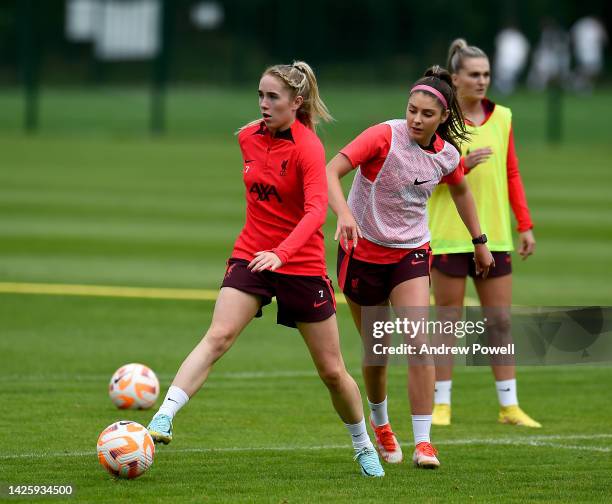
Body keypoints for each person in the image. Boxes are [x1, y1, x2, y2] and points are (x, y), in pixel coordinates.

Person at [147, 61, 385, 478]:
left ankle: (363, 444)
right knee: (218, 335)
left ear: (296, 102)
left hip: (301, 263)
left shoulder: (308, 147)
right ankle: (163, 418)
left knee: (332, 371)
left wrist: (283, 253)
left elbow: (315, 211)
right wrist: (267, 252)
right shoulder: (246, 138)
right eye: (260, 94)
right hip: (252, 255)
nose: (263, 103)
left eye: (272, 97)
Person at [327, 66, 494, 469]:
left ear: (443, 118)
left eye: (426, 114)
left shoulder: (448, 155)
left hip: (411, 252)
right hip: (361, 252)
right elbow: (331, 170)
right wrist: (344, 214)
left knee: (419, 341)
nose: (416, 119)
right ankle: (381, 424)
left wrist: (480, 241)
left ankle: (424, 442)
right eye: (412, 110)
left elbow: (461, 191)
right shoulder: (384, 135)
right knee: (379, 349)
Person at [428, 39, 541, 428]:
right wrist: (462, 164)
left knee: (500, 322)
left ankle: (509, 406)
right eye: (474, 74)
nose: (482, 81)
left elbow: (512, 172)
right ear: (455, 78)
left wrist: (523, 224)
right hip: (447, 235)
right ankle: (440, 404)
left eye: (487, 74)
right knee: (447, 321)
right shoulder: (438, 118)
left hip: (495, 237)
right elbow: (422, 175)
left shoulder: (504, 117)